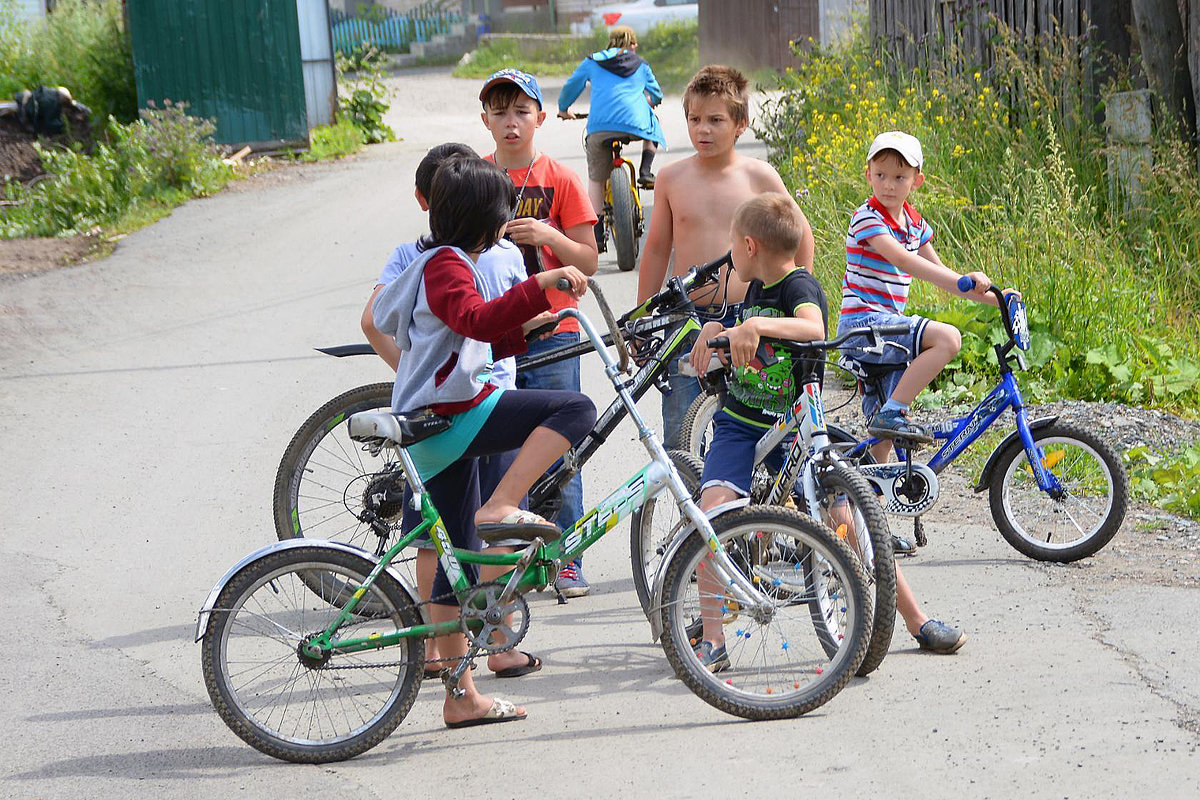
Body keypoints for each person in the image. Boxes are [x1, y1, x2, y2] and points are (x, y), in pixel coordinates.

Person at [372, 154, 597, 726]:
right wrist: (542, 284)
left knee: (452, 566)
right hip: (453, 418)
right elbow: (472, 320)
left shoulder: (442, 261)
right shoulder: (447, 266)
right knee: (576, 408)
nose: (506, 224)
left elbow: (459, 345)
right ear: (484, 221)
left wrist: (522, 330)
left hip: (442, 422)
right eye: (502, 215)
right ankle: (504, 502)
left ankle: (460, 698)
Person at [360, 142, 552, 679]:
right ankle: (438, 654)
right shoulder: (428, 259)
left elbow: (491, 330)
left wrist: (537, 313)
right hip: (453, 412)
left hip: (490, 401)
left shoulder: (500, 254)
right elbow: (394, 319)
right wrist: (422, 377)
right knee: (439, 536)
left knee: (471, 542)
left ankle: (488, 651)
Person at [838, 130, 1013, 653]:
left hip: (887, 333)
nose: (889, 184)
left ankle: (868, 513)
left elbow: (935, 267)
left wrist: (989, 293)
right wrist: (956, 284)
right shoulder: (867, 219)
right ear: (868, 175)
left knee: (879, 456)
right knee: (946, 339)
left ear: (917, 180)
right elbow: (909, 265)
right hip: (867, 326)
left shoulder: (914, 221)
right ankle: (893, 411)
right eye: (880, 174)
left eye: (899, 176)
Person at [636, 65, 815, 449]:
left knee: (762, 423)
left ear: (740, 124)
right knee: (683, 426)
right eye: (694, 119)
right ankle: (692, 507)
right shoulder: (671, 178)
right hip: (687, 323)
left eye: (715, 120)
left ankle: (762, 506)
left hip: (750, 316)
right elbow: (655, 249)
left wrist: (796, 295)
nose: (703, 129)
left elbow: (801, 236)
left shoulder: (759, 176)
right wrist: (641, 314)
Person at [685, 194, 828, 671]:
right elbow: (735, 331)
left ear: (748, 245)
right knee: (712, 516)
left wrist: (760, 325)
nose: (730, 253)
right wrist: (712, 329)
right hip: (740, 425)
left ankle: (896, 609)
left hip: (791, 428)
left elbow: (813, 326)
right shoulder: (753, 290)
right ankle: (712, 638)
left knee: (840, 508)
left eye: (732, 244)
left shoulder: (796, 285)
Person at [479, 68, 600, 597]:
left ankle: (566, 555)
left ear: (541, 119)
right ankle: (509, 557)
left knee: (561, 444)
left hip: (555, 332)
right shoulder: (474, 179)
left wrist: (549, 235)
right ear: (484, 119)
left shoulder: (562, 179)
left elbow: (589, 260)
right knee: (500, 445)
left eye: (521, 112)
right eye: (500, 112)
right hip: (495, 333)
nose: (511, 123)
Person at [557, 25, 665, 251]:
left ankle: (595, 232)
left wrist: (564, 108)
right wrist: (645, 104)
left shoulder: (592, 61)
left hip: (599, 127)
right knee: (653, 121)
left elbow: (571, 86)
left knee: (596, 179)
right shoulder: (641, 64)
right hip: (636, 125)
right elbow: (656, 94)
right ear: (632, 45)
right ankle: (645, 171)